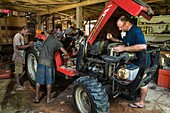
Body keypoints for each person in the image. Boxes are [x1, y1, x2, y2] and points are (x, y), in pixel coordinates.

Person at [112, 15, 150, 108]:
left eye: (120, 26)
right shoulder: (127, 32)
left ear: (126, 23)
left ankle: (141, 102)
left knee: (142, 82)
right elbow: (122, 42)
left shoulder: (136, 31)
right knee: (131, 77)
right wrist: (111, 38)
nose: (119, 29)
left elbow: (142, 46)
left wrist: (123, 49)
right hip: (134, 60)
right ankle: (132, 93)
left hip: (142, 60)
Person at [33, 30, 68, 104]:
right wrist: (66, 55)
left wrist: (47, 30)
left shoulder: (49, 37)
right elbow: (65, 52)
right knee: (49, 82)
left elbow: (45, 32)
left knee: (38, 81)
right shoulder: (58, 42)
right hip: (49, 63)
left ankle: (36, 98)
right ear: (60, 37)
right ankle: (48, 99)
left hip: (41, 62)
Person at [12, 26, 34, 91]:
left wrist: (28, 44)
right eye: (26, 32)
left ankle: (19, 83)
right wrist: (29, 45)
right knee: (17, 71)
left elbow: (22, 45)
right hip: (18, 56)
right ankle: (18, 86)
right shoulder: (17, 36)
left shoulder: (21, 36)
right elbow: (18, 47)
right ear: (23, 30)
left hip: (21, 56)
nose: (27, 34)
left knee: (20, 70)